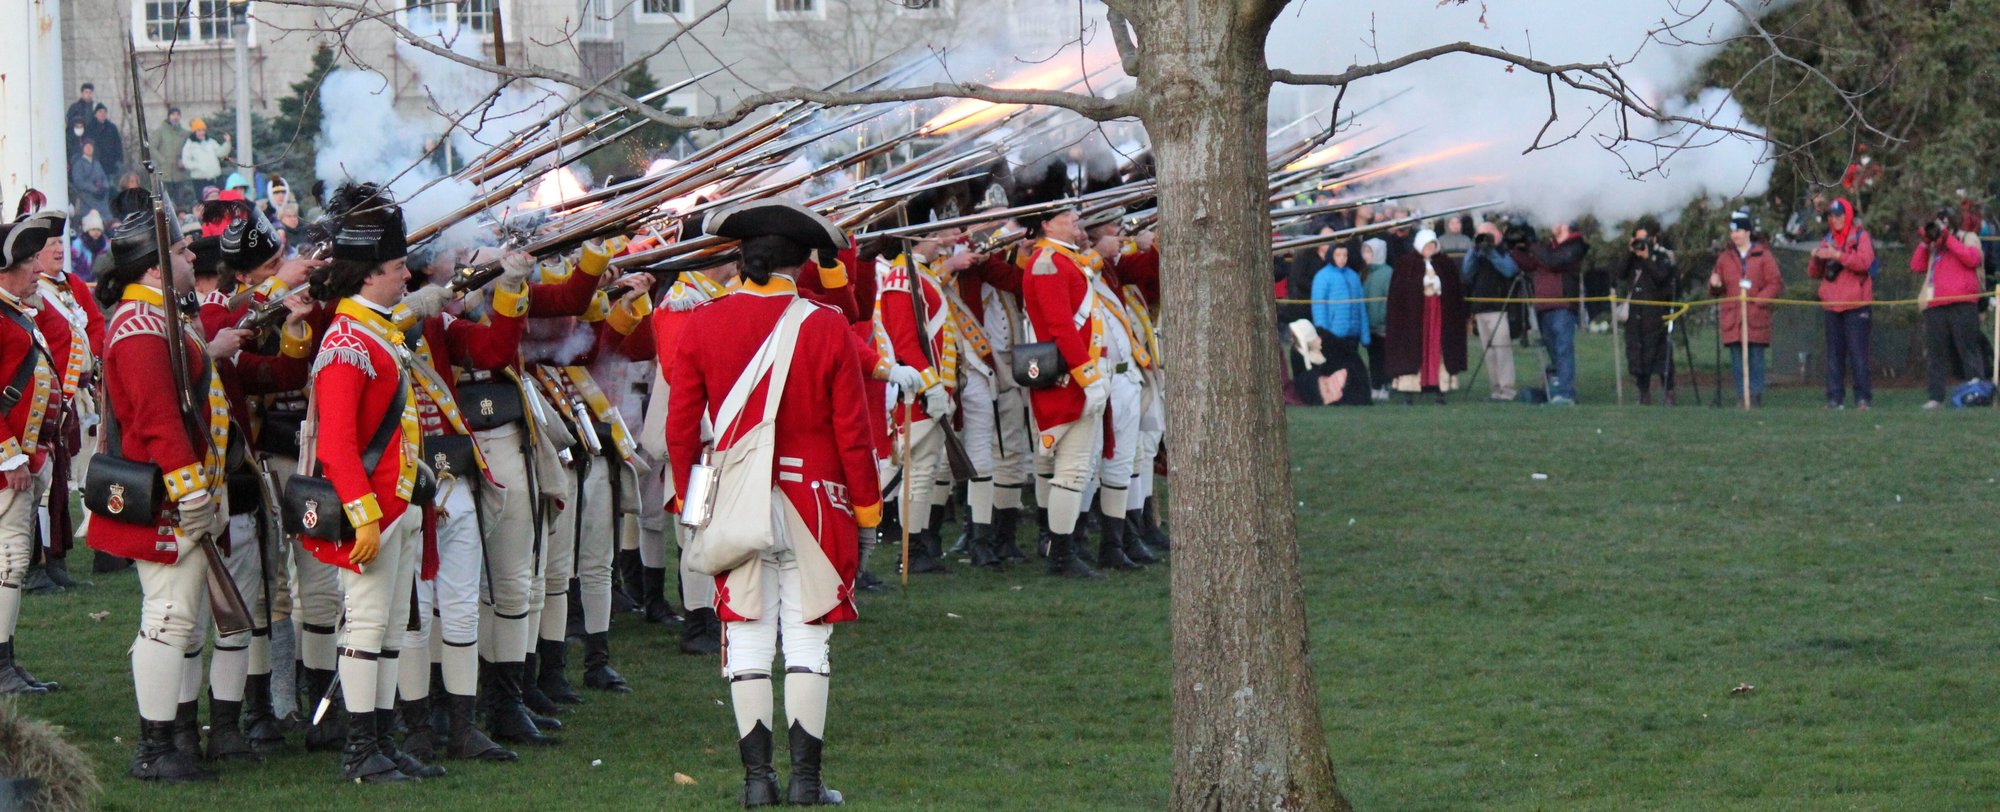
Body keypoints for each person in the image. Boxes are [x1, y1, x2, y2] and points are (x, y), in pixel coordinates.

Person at [665, 199, 883, 807]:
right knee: (809, 642)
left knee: (748, 640)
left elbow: (682, 429)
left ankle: (757, 784)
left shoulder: (702, 322)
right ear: (804, 263)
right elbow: (852, 430)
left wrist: (692, 499)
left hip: (734, 501)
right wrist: (867, 506)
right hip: (816, 503)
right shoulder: (825, 323)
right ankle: (805, 783)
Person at [86, 194, 226, 782]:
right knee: (167, 616)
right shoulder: (141, 325)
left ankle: (174, 738)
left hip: (176, 488)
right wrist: (193, 492)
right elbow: (157, 418)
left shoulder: (155, 315)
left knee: (183, 618)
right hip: (166, 495)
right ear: (154, 265)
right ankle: (154, 746)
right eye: (178, 248)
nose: (191, 253)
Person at [303, 185, 438, 783]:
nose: (405, 275)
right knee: (365, 625)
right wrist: (363, 513)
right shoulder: (347, 342)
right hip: (373, 511)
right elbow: (335, 444)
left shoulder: (374, 329)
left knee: (386, 630)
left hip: (396, 502)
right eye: (396, 267)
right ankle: (361, 750)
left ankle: (380, 739)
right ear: (368, 276)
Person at [0, 214, 64, 696]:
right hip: (8, 465)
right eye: (26, 264)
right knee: (9, 560)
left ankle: (8, 659)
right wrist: (9, 457)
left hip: (26, 456)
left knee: (13, 561)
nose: (35, 272)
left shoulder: (16, 311)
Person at [1910, 207, 1989, 409]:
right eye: (1937, 222)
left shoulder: (1967, 237)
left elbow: (1973, 259)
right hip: (1936, 304)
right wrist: (1925, 242)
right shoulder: (1934, 246)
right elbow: (1916, 266)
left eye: (1943, 222)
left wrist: (1948, 239)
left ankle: (1977, 392)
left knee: (1968, 349)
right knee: (1936, 353)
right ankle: (1935, 397)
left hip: (1963, 302)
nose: (1940, 227)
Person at [1806, 198, 1877, 409]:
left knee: (1858, 354)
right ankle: (1834, 398)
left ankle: (1863, 398)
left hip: (1857, 305)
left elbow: (1865, 262)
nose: (1834, 219)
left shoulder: (1861, 237)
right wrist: (1817, 258)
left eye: (1838, 215)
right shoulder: (1827, 238)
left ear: (1848, 216)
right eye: (1831, 216)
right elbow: (1814, 273)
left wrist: (1838, 255)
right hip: (1832, 305)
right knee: (1834, 355)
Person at [1708, 210, 1784, 407]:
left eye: (1739, 231)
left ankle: (1756, 395)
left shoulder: (1764, 256)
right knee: (1737, 360)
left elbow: (1775, 283)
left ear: (1748, 232)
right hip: (1732, 317)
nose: (1735, 235)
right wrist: (1715, 284)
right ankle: (1742, 396)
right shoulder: (1724, 258)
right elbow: (1718, 285)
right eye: (1733, 232)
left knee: (1756, 358)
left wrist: (1758, 301)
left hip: (1756, 317)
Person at [1383, 230, 1467, 405]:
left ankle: (1439, 387)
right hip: (1413, 318)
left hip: (1439, 315)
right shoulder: (1406, 264)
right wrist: (1420, 284)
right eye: (1427, 245)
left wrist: (1439, 285)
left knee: (1438, 347)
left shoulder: (1445, 264)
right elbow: (1400, 293)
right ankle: (1410, 391)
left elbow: (1454, 291)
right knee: (1414, 349)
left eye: (1433, 245)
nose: (1430, 249)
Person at [1518, 221, 1588, 405]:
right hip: (1544, 306)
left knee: (1563, 350)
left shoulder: (1575, 246)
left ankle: (1566, 393)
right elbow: (1528, 263)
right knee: (1554, 352)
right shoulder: (1548, 247)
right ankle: (1557, 389)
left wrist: (1533, 245)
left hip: (1563, 306)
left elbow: (1554, 261)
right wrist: (1514, 247)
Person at [1304, 242, 1372, 406]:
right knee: (1335, 367)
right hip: (1333, 333)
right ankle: (1334, 396)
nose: (1342, 259)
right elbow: (1319, 306)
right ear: (1331, 256)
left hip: (1352, 331)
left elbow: (1360, 306)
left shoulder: (1353, 276)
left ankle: (1352, 395)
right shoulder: (1323, 276)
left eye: (1345, 255)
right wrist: (1323, 331)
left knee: (1352, 367)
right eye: (1338, 255)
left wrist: (1364, 333)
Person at [1462, 223, 1522, 401]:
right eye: (1480, 235)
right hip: (1480, 308)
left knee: (1502, 349)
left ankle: (1507, 389)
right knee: (1488, 352)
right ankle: (1495, 389)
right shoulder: (1477, 254)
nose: (1484, 238)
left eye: (1487, 234)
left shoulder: (1503, 251)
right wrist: (1474, 250)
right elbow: (1466, 272)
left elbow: (1510, 270)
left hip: (1499, 307)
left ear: (1497, 234)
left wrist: (1492, 252)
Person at [1622, 227, 1679, 405]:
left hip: (1656, 314)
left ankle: (1668, 392)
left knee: (1662, 355)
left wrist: (1647, 259)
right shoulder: (1633, 259)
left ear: (1654, 239)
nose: (1641, 243)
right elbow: (1619, 272)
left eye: (1644, 239)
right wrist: (1630, 253)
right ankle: (1643, 393)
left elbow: (1661, 277)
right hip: (1636, 313)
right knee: (1637, 355)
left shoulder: (1663, 257)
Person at [1360, 238, 1392, 399]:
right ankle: (1375, 385)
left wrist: (1384, 319)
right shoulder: (1366, 273)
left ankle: (1385, 386)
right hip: (1369, 326)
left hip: (1383, 326)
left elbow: (1390, 300)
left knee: (1384, 358)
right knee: (1373, 358)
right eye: (1364, 251)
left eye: (1369, 252)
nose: (1365, 255)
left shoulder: (1387, 273)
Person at [154, 108, 191, 205]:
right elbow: (152, 148)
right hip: (165, 173)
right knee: (165, 202)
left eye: (178, 114)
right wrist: (162, 161)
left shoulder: (184, 133)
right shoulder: (161, 131)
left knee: (180, 201)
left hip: (179, 172)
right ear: (168, 116)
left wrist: (184, 160)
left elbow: (189, 149)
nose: (175, 117)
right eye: (173, 114)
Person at [180, 121, 229, 195]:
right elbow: (186, 161)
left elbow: (220, 153)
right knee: (204, 203)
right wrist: (198, 166)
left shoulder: (211, 142)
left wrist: (227, 143)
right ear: (194, 132)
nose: (201, 133)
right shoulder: (189, 145)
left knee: (220, 201)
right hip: (200, 181)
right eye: (199, 130)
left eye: (203, 130)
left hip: (216, 179)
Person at [68, 140, 111, 223]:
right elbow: (78, 182)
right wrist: (94, 189)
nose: (89, 148)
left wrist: (105, 187)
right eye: (86, 146)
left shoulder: (97, 163)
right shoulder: (79, 163)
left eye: (90, 146)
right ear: (82, 149)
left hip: (101, 198)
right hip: (86, 199)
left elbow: (104, 178)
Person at [69, 211, 109, 281]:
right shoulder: (78, 244)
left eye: (98, 229)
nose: (96, 232)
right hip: (81, 280)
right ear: (87, 230)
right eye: (93, 229)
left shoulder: (105, 244)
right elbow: (72, 264)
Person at [89, 104, 125, 179]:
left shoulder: (112, 128)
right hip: (96, 164)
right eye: (100, 112)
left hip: (110, 164)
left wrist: (119, 160)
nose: (102, 114)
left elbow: (118, 145)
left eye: (104, 112)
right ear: (95, 114)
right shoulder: (90, 128)